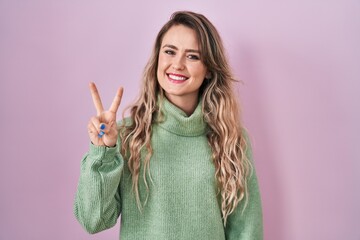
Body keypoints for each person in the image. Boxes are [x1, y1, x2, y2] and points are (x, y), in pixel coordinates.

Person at [74, 11, 263, 240]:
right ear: (158, 59)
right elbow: (93, 220)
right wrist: (102, 151)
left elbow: (246, 230)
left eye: (192, 56)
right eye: (170, 52)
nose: (177, 64)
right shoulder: (126, 134)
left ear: (209, 69)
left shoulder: (232, 139)